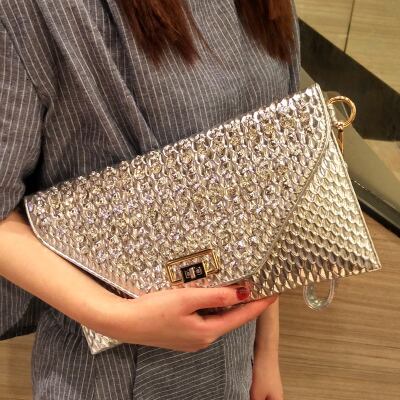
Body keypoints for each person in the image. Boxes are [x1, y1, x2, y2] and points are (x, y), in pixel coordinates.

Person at [0, 0, 300, 399]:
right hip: (108, 373)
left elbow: (265, 181)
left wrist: (265, 354)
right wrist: (117, 317)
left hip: (233, 360)